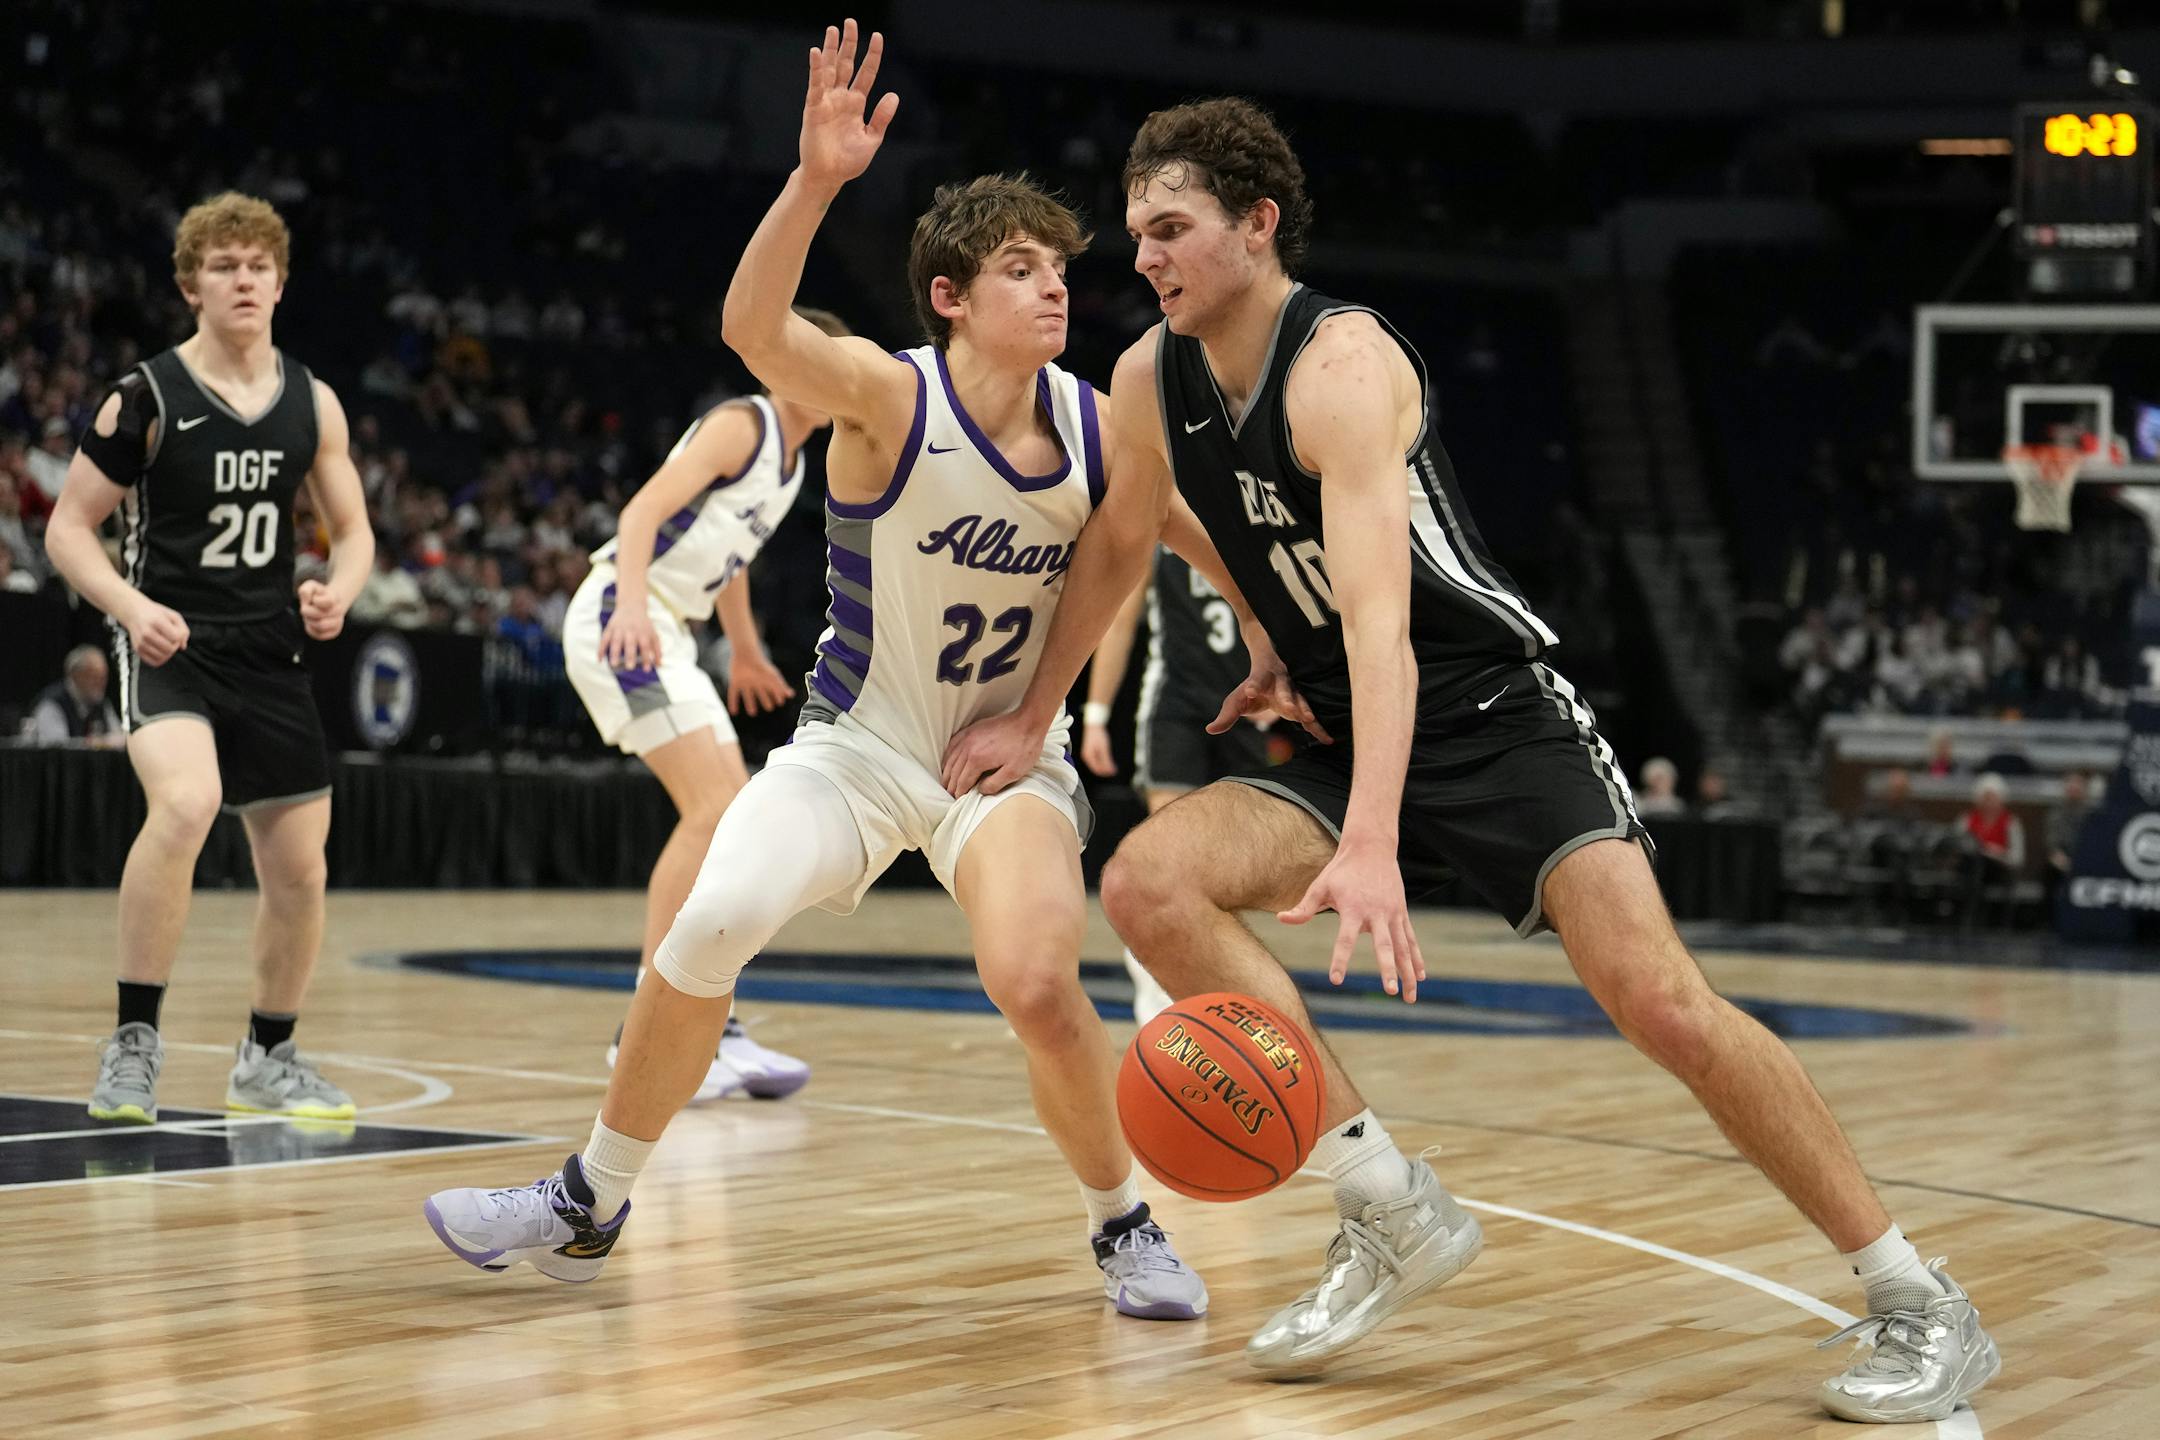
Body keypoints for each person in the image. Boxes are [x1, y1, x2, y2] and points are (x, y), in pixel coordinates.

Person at [940, 97, 1997, 1421]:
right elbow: (1127, 541)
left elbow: (1387, 623)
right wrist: (1052, 710)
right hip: (1334, 711)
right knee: (1151, 883)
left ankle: (1917, 1297)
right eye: (1140, 233)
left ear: (1259, 226)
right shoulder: (1151, 378)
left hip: (1487, 711)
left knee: (1661, 1001)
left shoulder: (1344, 366)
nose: (1145, 258)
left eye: (1174, 229)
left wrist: (1374, 837)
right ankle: (1389, 1205)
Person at [421, 21, 1207, 1320]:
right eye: (1021, 270)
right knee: (711, 923)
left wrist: (1269, 651)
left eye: (1060, 269)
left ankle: (1123, 1224)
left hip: (1006, 762)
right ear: (950, 298)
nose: (1057, 289)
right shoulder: (883, 395)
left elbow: (1165, 540)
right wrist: (817, 180)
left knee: (1033, 980)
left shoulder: (1097, 419)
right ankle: (586, 1201)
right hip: (855, 751)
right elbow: (748, 325)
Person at [43, 192, 375, 1124]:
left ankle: (269, 1057)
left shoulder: (313, 400)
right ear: (191, 285)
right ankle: (133, 1043)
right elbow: (69, 530)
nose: (243, 279)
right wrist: (128, 604)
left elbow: (353, 534)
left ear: (280, 282)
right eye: (224, 265)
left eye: (257, 265)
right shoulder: (143, 397)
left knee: (301, 868)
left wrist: (339, 590)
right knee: (186, 804)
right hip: (171, 640)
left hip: (270, 650)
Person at [564, 318, 852, 1103]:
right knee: (714, 810)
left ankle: (704, 1024)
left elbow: (728, 566)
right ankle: (648, 1029)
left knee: (730, 820)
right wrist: (626, 608)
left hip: (669, 627)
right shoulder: (742, 425)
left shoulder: (792, 465)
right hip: (624, 618)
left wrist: (747, 649)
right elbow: (639, 515)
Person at [1078, 545, 1279, 1023]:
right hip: (1175, 710)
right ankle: (1158, 1001)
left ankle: (1222, 995)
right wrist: (1096, 716)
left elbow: (1286, 607)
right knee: (1166, 864)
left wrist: (1283, 681)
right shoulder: (1157, 522)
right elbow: (1120, 621)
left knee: (1229, 873)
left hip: (1244, 706)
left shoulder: (1244, 513)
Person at [20, 643, 122, 745]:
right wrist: (93, 743)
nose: (101, 683)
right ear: (75, 675)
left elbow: (120, 738)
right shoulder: (52, 703)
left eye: (103, 677)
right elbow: (56, 746)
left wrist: (101, 742)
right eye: (93, 676)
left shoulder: (101, 704)